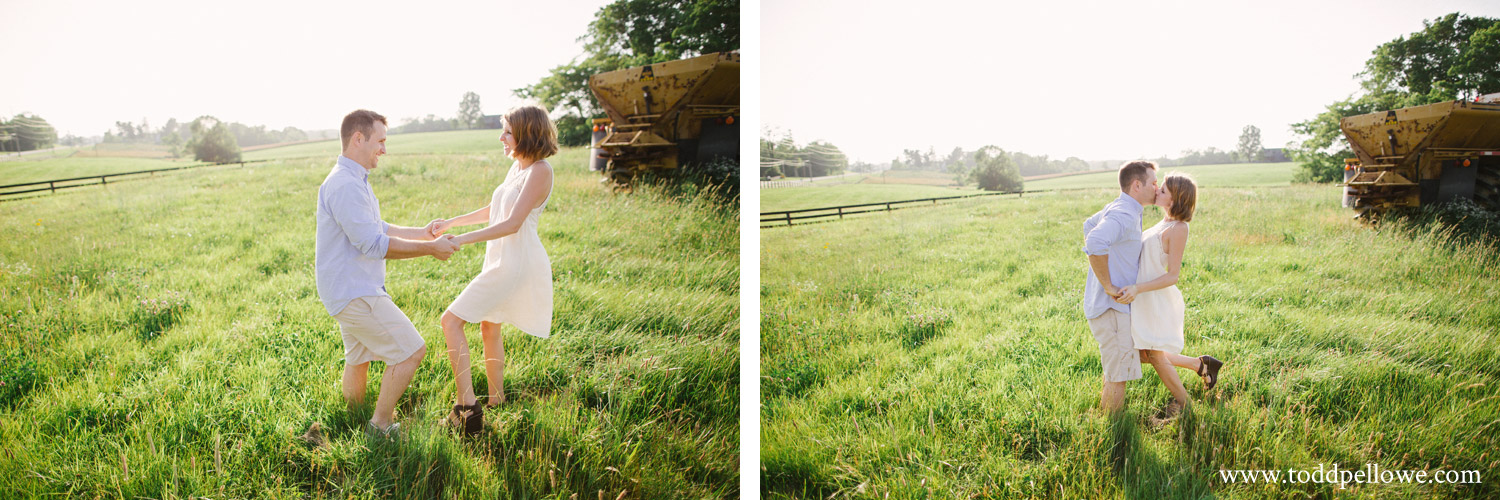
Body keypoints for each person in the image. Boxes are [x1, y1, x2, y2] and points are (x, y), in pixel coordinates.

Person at [315, 109, 460, 435]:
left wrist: (421, 234)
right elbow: (372, 243)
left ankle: (353, 418)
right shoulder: (345, 185)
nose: (384, 149)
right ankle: (379, 427)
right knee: (411, 351)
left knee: (358, 357)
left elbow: (376, 227)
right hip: (355, 291)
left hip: (347, 289)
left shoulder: (353, 180)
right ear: (358, 139)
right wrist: (431, 249)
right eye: (380, 141)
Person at [428, 105, 557, 435]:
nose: (501, 137)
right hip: (502, 258)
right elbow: (495, 208)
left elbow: (513, 223)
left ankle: (467, 407)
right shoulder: (518, 166)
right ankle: (497, 400)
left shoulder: (540, 171)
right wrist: (453, 222)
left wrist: (463, 239)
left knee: (450, 320)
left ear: (526, 134)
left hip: (516, 262)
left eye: (507, 132)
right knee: (489, 326)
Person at [1116, 172, 1222, 423]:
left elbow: (1173, 275)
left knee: (1152, 354)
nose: (1156, 192)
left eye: (1162, 190)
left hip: (1153, 298)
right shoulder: (1161, 223)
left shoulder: (1178, 228)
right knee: (1143, 354)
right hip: (1141, 296)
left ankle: (1188, 409)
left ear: (1176, 199)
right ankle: (1201, 365)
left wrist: (1138, 288)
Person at [1082, 161, 1157, 414]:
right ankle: (1114, 435)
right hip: (1111, 308)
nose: (1158, 187)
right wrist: (1107, 284)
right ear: (1137, 185)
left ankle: (1107, 423)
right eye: (1154, 182)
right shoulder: (1124, 213)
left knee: (1115, 371)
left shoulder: (1124, 208)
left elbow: (1088, 225)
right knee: (1119, 376)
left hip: (1109, 307)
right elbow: (1095, 239)